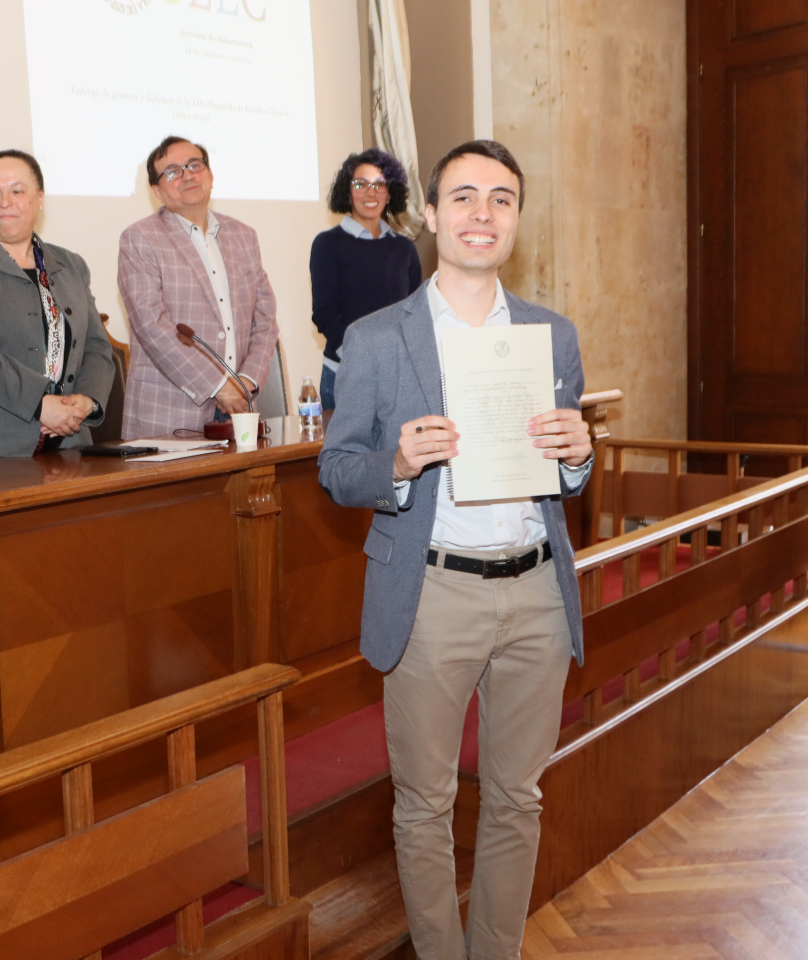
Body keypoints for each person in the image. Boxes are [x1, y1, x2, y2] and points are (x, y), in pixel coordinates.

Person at [316, 140, 595, 960]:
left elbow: (567, 469)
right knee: (425, 804)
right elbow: (338, 469)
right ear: (431, 215)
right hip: (432, 593)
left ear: (515, 219)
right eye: (464, 197)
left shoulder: (551, 333)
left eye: (501, 199)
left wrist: (579, 452)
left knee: (517, 798)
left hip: (538, 593)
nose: (483, 214)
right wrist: (396, 464)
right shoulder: (375, 339)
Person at [0, 150, 115, 455]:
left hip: (70, 444)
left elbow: (97, 346)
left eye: (17, 191)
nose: (5, 201)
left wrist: (86, 401)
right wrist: (40, 404)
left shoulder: (71, 265)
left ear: (40, 197)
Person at [117, 136, 279, 439]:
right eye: (173, 171)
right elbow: (151, 327)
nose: (188, 175)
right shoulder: (140, 239)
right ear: (157, 191)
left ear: (210, 175)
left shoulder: (244, 236)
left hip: (240, 410)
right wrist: (218, 386)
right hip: (170, 416)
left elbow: (266, 318)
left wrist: (245, 381)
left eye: (194, 165)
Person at [309, 148, 423, 409]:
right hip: (345, 372)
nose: (370, 193)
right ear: (347, 192)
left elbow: (416, 313)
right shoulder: (327, 244)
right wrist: (362, 356)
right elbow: (324, 314)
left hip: (398, 376)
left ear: (390, 192)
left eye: (379, 184)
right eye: (360, 184)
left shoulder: (404, 248)